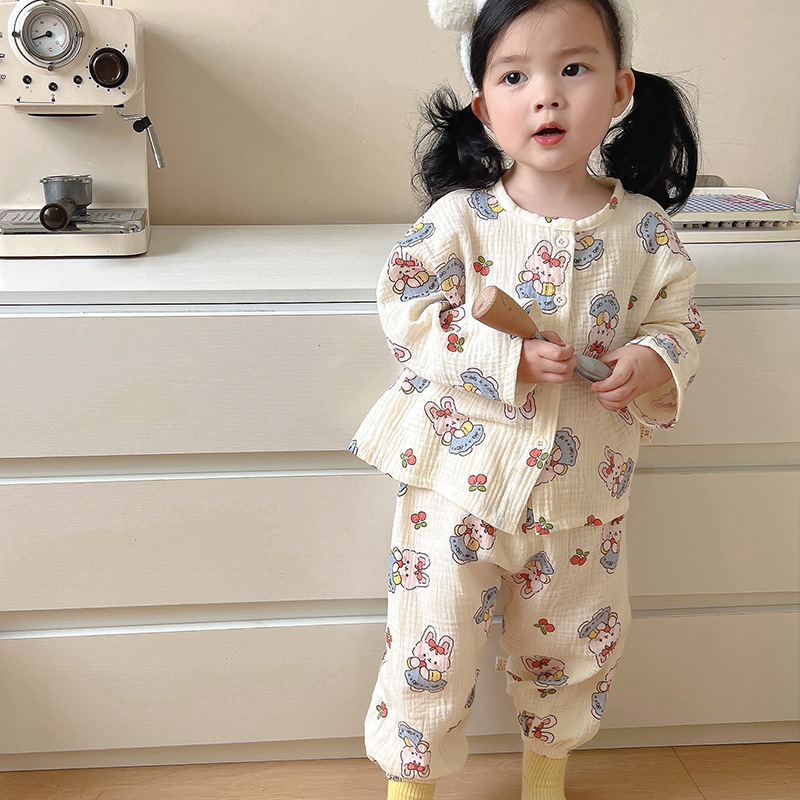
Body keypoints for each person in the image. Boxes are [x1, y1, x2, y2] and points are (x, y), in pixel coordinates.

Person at [348, 1, 705, 798]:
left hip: (581, 504)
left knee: (574, 647)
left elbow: (679, 320)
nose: (546, 95)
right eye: (515, 76)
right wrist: (503, 357)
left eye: (572, 68)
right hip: (456, 489)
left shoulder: (644, 232)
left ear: (620, 91)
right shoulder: (462, 221)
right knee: (431, 641)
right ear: (484, 106)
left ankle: (546, 778)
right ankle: (411, 785)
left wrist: (653, 359)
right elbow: (406, 311)